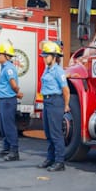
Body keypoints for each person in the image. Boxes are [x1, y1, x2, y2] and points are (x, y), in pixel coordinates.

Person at [37, 41, 70, 172]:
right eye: (44, 56)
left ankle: (59, 162)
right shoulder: (47, 69)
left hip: (55, 102)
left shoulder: (58, 71)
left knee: (56, 133)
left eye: (46, 56)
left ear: (54, 56)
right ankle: (50, 158)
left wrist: (66, 105)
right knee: (48, 133)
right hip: (47, 101)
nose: (44, 58)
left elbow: (65, 90)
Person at [0, 42, 23, 161]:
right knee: (3, 125)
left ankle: (14, 151)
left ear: (5, 55)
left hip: (8, 101)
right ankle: (6, 148)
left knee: (9, 126)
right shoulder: (4, 67)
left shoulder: (9, 68)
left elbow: (13, 83)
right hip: (3, 100)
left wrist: (17, 93)